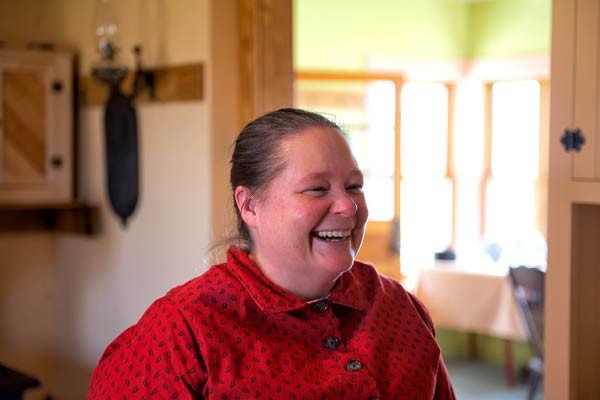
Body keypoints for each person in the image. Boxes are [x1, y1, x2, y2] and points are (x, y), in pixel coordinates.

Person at [87, 108, 455, 399]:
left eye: (354, 186)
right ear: (249, 207)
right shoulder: (182, 332)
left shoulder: (400, 308)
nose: (348, 206)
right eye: (316, 189)